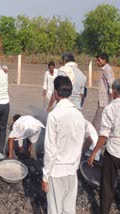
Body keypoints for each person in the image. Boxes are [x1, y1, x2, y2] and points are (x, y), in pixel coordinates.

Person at [41, 76, 87, 214]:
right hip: (72, 171)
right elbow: (84, 140)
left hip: (57, 171)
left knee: (54, 209)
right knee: (69, 210)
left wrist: (45, 176)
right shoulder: (79, 115)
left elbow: (50, 150)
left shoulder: (54, 115)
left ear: (55, 93)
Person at [88, 79, 120, 214]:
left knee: (107, 185)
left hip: (114, 152)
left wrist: (94, 152)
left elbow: (104, 135)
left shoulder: (111, 108)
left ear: (113, 92)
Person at [92, 53, 114, 132]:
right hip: (103, 100)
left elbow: (111, 84)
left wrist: (111, 101)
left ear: (104, 60)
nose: (97, 62)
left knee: (97, 121)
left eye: (99, 60)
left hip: (105, 101)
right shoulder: (104, 69)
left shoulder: (107, 69)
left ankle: (95, 139)